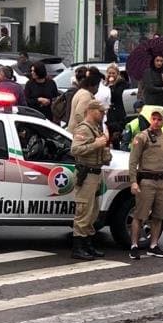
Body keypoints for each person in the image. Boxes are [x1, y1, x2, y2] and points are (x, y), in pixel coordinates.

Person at [127, 108, 163, 260]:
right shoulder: (142, 137)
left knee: (159, 215)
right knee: (140, 215)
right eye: (154, 119)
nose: (156, 122)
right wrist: (133, 182)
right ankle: (134, 245)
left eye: (159, 120)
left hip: (162, 181)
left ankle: (153, 245)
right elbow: (133, 161)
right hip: (147, 180)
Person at [69, 100, 111, 261]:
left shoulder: (96, 129)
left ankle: (88, 244)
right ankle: (78, 247)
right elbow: (76, 149)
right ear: (91, 110)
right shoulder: (84, 129)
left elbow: (101, 150)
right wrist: (96, 144)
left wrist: (105, 149)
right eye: (101, 112)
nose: (103, 114)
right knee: (84, 211)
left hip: (96, 173)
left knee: (92, 212)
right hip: (86, 173)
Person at [67, 66, 103, 133]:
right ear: (93, 86)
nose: (98, 89)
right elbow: (80, 115)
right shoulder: (86, 96)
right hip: (79, 135)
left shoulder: (81, 92)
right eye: (97, 86)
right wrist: (90, 128)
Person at [105, 64, 129, 143]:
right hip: (108, 113)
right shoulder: (105, 84)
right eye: (109, 73)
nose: (111, 75)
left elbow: (116, 96)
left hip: (117, 113)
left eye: (113, 73)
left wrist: (112, 86)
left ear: (117, 74)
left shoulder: (121, 84)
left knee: (116, 136)